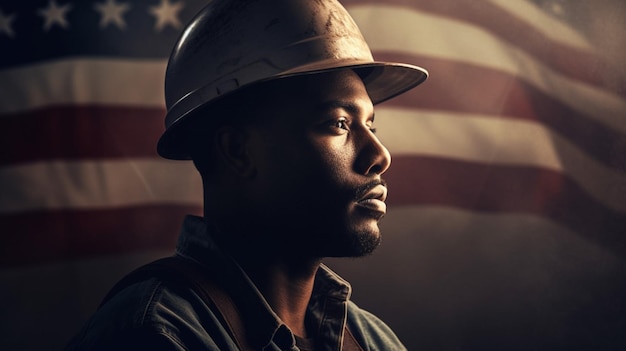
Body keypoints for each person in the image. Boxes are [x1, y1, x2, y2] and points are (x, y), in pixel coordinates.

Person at [66, 0, 427, 349]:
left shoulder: (372, 339)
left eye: (371, 127)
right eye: (339, 124)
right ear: (238, 151)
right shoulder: (152, 335)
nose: (380, 156)